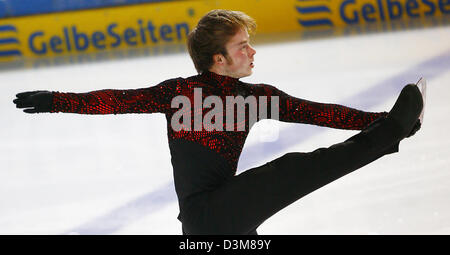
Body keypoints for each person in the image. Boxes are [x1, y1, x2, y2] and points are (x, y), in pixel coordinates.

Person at [13, 9, 423, 235]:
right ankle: (387, 135)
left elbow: (322, 113)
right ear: (218, 58)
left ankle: (387, 131)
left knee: (297, 169)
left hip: (218, 225)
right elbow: (114, 101)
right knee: (296, 168)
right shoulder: (176, 93)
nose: (253, 52)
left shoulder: (257, 97)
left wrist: (383, 118)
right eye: (243, 46)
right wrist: (55, 100)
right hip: (206, 216)